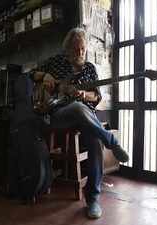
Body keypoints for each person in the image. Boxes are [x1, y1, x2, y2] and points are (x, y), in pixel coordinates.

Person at [29, 27, 129, 219]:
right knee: (76, 108)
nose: (80, 53)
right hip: (59, 114)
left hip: (87, 120)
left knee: (93, 137)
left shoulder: (90, 68)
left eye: (82, 49)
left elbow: (96, 97)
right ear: (67, 49)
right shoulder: (55, 62)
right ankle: (112, 142)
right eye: (75, 49)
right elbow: (30, 75)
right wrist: (45, 76)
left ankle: (92, 199)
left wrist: (84, 94)